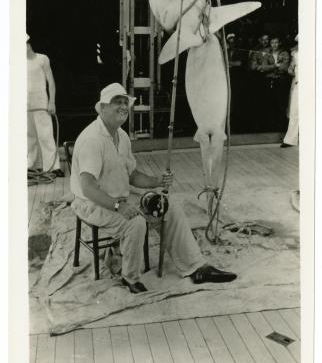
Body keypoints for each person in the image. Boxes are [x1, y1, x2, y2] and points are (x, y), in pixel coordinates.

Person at [70, 83, 237, 293]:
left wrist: (157, 181)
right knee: (136, 223)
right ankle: (129, 278)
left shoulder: (121, 136)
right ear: (102, 108)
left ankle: (196, 268)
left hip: (118, 196)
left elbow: (132, 175)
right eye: (117, 103)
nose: (123, 107)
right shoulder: (92, 140)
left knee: (171, 207)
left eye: (125, 103)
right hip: (90, 202)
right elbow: (88, 188)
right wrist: (117, 207)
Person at [27, 35, 64, 177]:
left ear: (28, 45)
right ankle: (32, 166)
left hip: (41, 103)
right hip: (25, 104)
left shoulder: (42, 59)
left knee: (46, 135)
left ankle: (53, 166)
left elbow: (51, 82)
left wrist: (52, 101)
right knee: (29, 137)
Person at [259, 36, 291, 132]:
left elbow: (284, 68)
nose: (274, 44)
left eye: (276, 42)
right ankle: (271, 127)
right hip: (269, 80)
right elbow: (263, 68)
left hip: (281, 80)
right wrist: (275, 65)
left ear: (279, 43)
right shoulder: (267, 54)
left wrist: (271, 68)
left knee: (281, 103)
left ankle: (281, 127)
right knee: (269, 103)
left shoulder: (284, 53)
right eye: (272, 42)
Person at [281, 34, 299, 148]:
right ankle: (290, 140)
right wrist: (292, 69)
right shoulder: (295, 54)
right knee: (294, 112)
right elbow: (290, 70)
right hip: (299, 84)